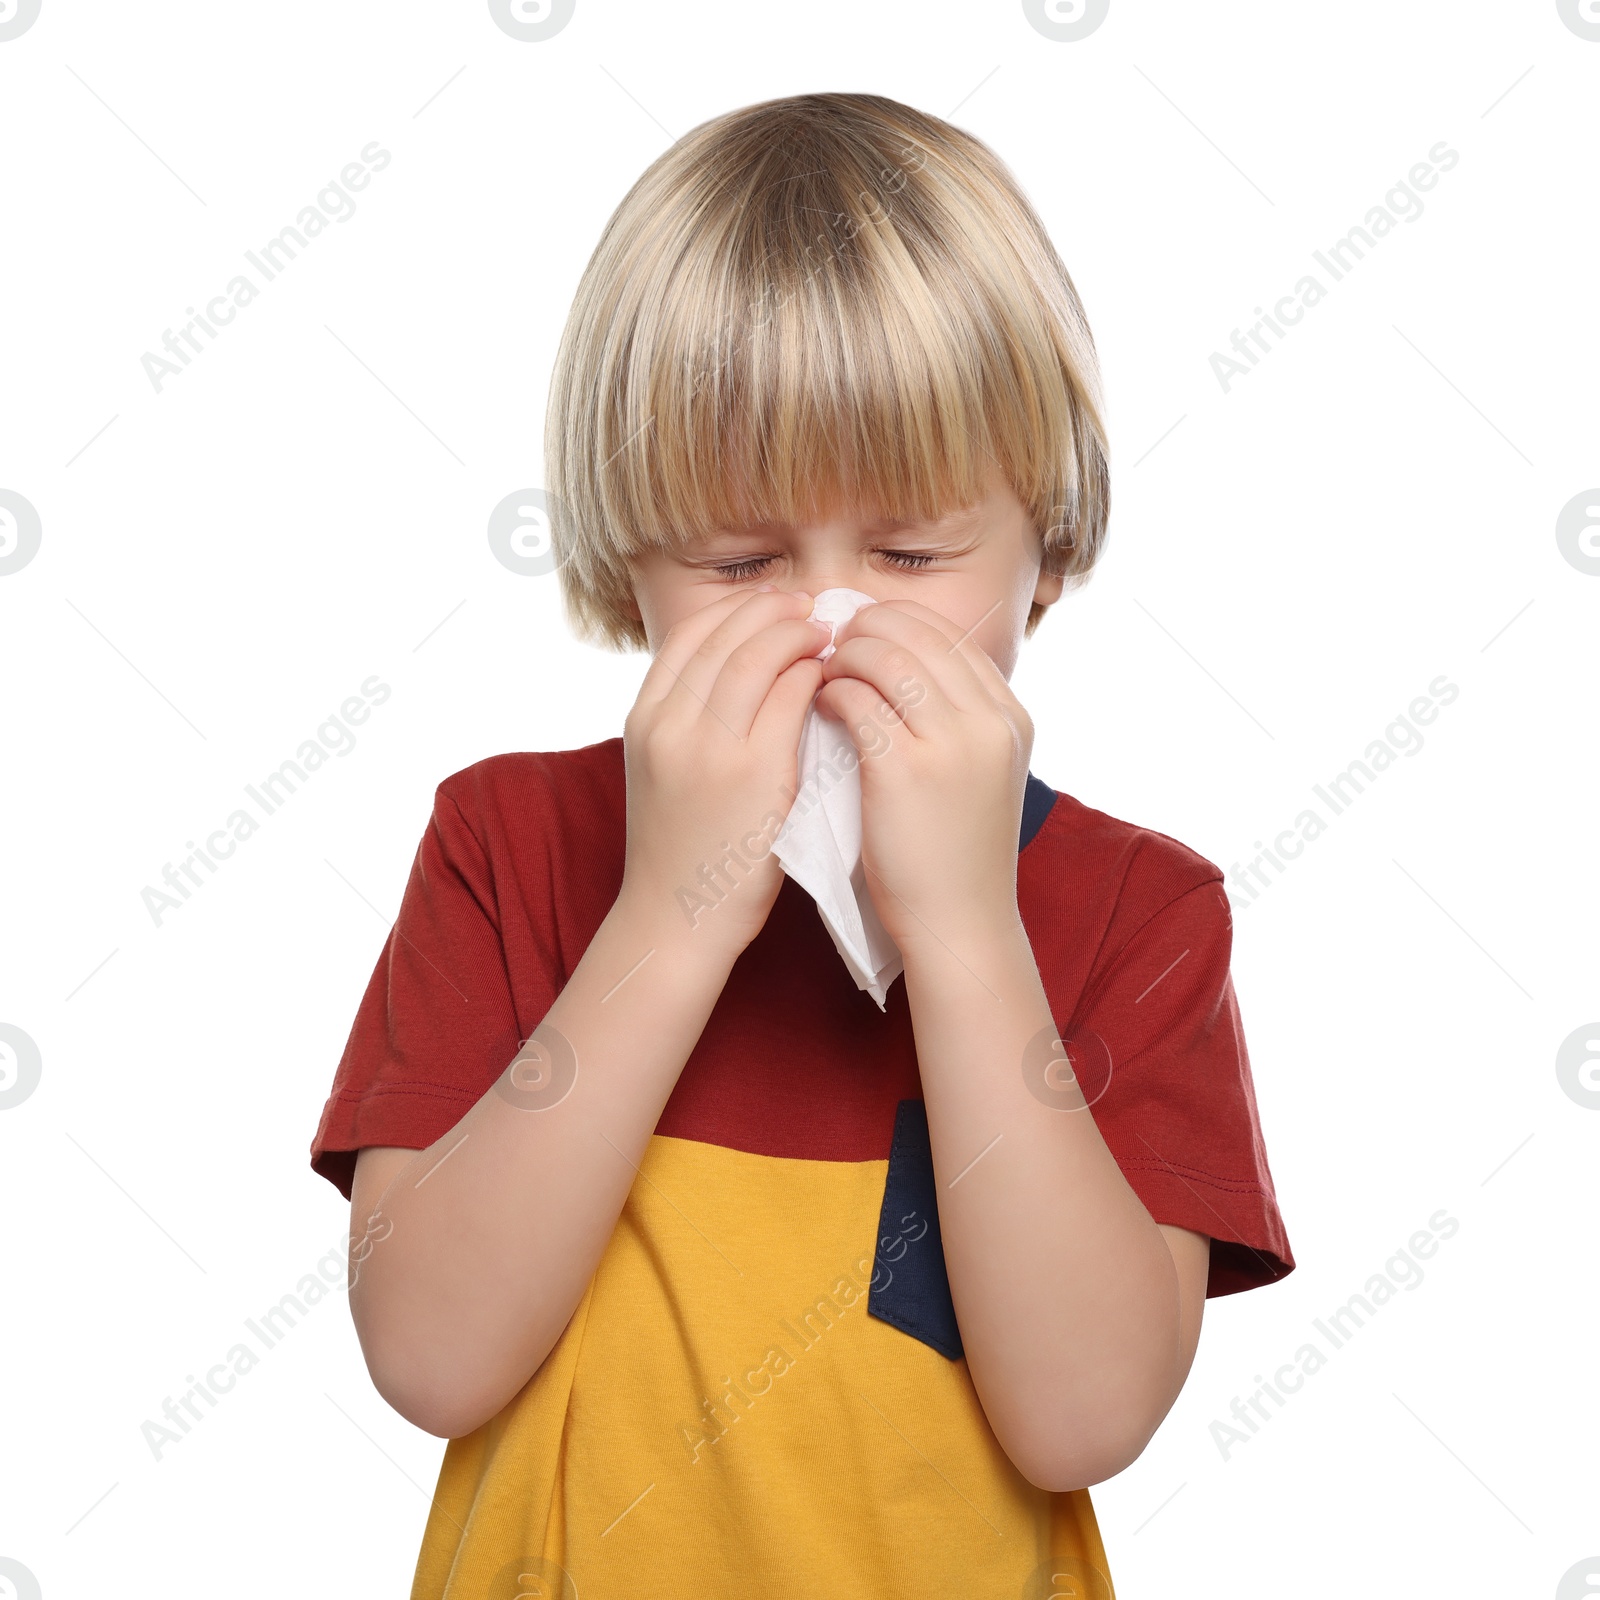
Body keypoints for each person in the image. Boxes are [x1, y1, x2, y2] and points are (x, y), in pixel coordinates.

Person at [309, 90, 1294, 1598]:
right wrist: (675, 910)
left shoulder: (1133, 913)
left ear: (1045, 548)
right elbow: (434, 1357)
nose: (831, 625)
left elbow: (1083, 1417)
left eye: (909, 553)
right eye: (741, 561)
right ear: (627, 562)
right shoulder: (504, 845)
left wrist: (966, 932)